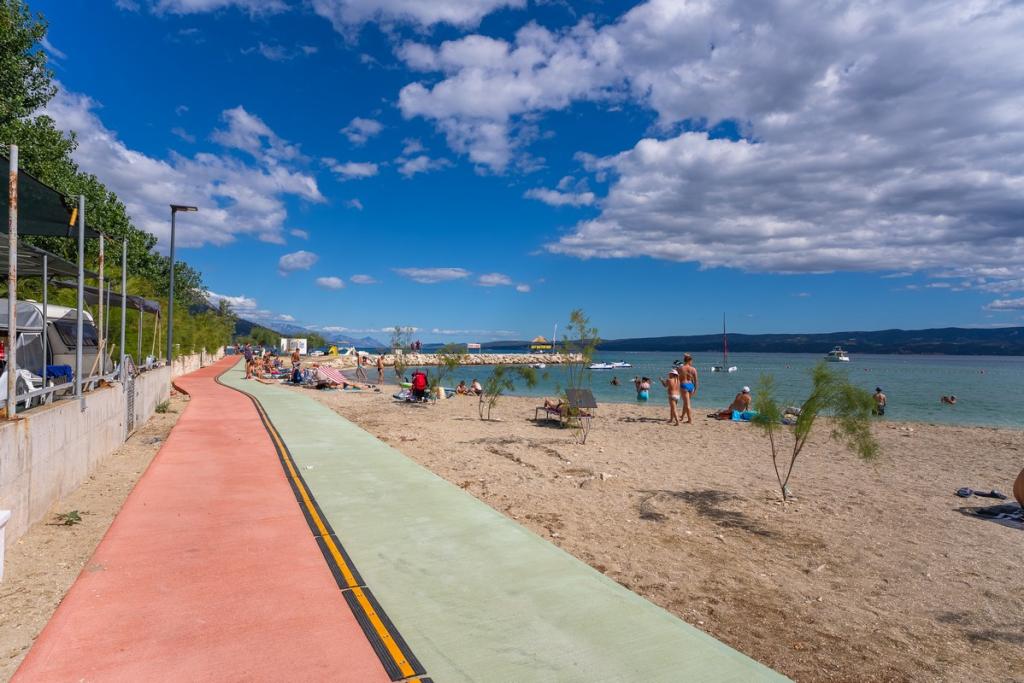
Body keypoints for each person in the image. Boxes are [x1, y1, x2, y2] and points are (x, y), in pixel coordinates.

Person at [676, 353, 699, 424]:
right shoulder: (693, 369)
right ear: (689, 361)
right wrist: (695, 389)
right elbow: (696, 381)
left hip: (684, 385)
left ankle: (690, 420)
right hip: (691, 386)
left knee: (687, 403)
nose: (692, 362)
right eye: (691, 361)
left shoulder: (680, 368)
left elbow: (676, 378)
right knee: (686, 402)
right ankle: (682, 416)